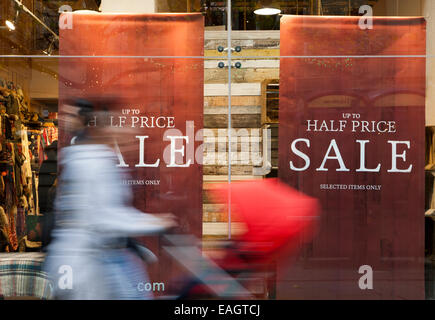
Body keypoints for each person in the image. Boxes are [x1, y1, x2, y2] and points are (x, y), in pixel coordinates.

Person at [43, 98, 176, 299]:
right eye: (127, 137)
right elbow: (105, 217)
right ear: (108, 134)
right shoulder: (97, 163)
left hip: (83, 256)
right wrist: (155, 222)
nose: (131, 144)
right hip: (89, 259)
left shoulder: (83, 160)